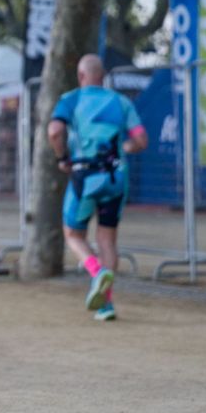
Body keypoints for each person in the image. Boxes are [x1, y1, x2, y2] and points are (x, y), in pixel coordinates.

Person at [48, 54, 148, 321]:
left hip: (85, 177)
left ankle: (96, 272)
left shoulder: (71, 99)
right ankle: (106, 305)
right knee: (107, 240)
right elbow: (140, 139)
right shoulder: (121, 101)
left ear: (81, 76)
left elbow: (54, 132)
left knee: (73, 235)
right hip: (116, 179)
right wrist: (124, 149)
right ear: (102, 76)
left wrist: (61, 159)